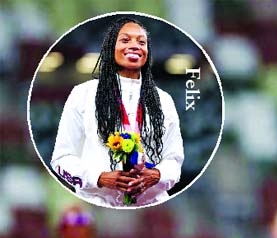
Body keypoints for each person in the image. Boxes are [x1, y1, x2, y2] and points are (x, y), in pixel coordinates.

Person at [51, 17, 184, 207]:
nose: (134, 46)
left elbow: (174, 160)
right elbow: (61, 159)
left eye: (141, 42)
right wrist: (100, 178)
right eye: (125, 40)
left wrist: (156, 175)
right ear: (110, 48)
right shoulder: (84, 94)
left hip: (150, 204)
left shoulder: (164, 100)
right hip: (97, 204)